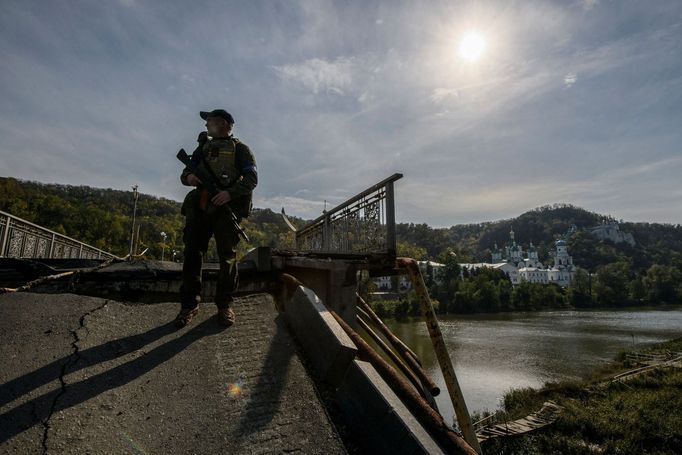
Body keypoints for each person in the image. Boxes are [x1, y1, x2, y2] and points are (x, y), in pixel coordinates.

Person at [175, 109, 257, 328]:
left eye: (210, 121)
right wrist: (189, 177)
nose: (207, 124)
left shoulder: (240, 149)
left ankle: (224, 305)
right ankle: (189, 304)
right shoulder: (202, 148)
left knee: (227, 258)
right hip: (200, 206)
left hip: (225, 208)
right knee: (192, 252)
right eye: (207, 121)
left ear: (225, 124)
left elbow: (251, 178)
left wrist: (229, 193)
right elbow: (186, 173)